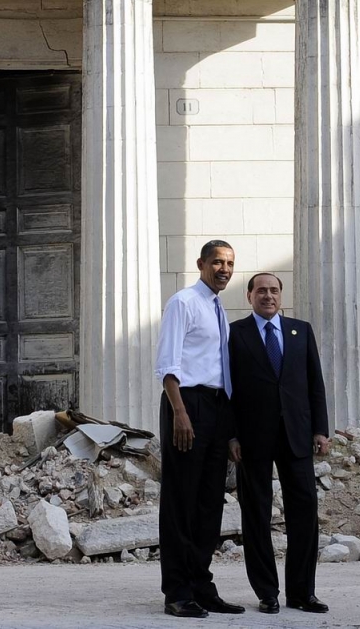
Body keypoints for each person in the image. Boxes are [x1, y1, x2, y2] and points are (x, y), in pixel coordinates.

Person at [228, 272, 330, 615]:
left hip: (297, 436)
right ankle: (267, 593)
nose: (268, 296)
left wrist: (321, 429)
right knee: (256, 515)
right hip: (253, 439)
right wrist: (232, 435)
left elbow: (315, 383)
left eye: (274, 290)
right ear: (250, 296)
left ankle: (302, 593)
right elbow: (227, 390)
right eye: (261, 291)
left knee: (304, 514)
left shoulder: (301, 331)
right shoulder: (235, 334)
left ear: (281, 295)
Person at [155, 240, 244, 618]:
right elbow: (168, 364)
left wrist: (229, 427)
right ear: (201, 264)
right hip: (186, 403)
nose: (224, 269)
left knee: (209, 502)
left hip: (216, 407)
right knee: (181, 500)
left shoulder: (218, 307)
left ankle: (201, 585)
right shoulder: (184, 302)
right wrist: (180, 412)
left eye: (229, 263)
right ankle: (177, 591)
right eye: (217, 262)